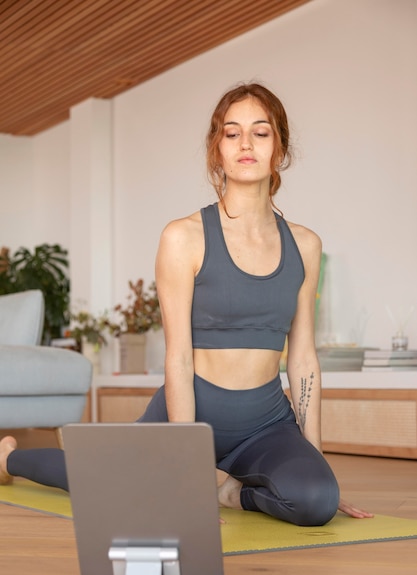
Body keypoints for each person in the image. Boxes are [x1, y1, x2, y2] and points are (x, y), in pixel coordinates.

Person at [0, 82, 372, 526]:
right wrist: (184, 455)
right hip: (191, 409)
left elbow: (304, 358)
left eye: (261, 131)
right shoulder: (184, 237)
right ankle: (8, 461)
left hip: (267, 422)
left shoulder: (305, 245)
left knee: (316, 501)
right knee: (104, 479)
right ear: (217, 149)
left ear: (280, 147)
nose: (246, 144)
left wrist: (316, 459)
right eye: (232, 133)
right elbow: (177, 355)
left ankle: (232, 493)